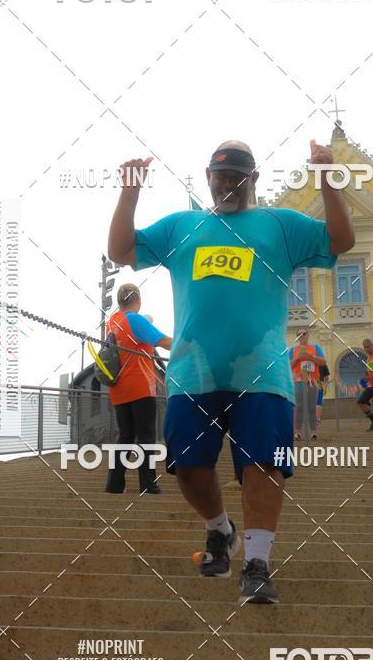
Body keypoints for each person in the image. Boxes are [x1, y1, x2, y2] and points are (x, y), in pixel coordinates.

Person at [107, 138, 354, 604]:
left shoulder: (280, 225)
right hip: (192, 374)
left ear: (254, 179)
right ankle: (220, 530)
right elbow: (121, 250)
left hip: (263, 374)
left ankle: (257, 564)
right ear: (208, 178)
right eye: (221, 177)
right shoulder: (183, 226)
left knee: (264, 464)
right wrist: (130, 190)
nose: (228, 185)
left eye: (238, 177)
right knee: (187, 468)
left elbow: (340, 241)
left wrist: (327, 179)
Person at [105, 283, 172, 494]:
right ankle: (148, 484)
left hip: (118, 388)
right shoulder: (135, 319)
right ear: (138, 300)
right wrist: (192, 345)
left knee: (125, 436)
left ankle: (114, 485)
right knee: (145, 435)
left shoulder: (112, 321)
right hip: (140, 385)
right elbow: (164, 341)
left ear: (119, 301)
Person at [289, 330, 325, 440]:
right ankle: (298, 433)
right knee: (298, 407)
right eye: (299, 334)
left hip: (313, 381)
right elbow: (288, 365)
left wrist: (310, 356)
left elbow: (323, 362)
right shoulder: (292, 350)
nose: (302, 336)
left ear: (308, 335)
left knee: (312, 407)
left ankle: (313, 433)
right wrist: (297, 357)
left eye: (304, 333)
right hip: (298, 381)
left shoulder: (315, 347)